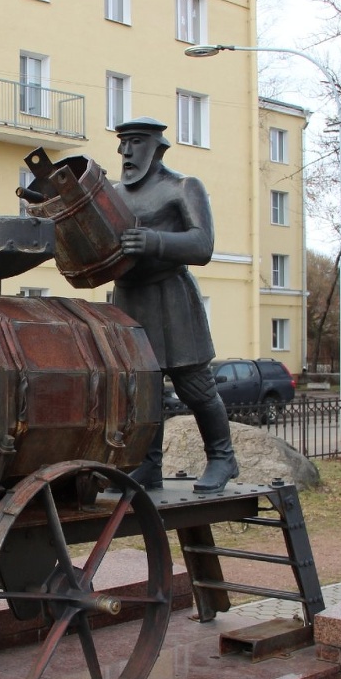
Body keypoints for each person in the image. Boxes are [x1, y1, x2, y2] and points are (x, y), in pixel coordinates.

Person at [110, 116, 237, 493]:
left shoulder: (183, 187)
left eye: (134, 142)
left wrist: (154, 242)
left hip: (171, 298)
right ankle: (148, 465)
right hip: (130, 299)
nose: (125, 151)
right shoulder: (114, 193)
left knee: (194, 386)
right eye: (122, 142)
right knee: (143, 390)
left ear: (155, 146)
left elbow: (203, 245)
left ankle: (223, 458)